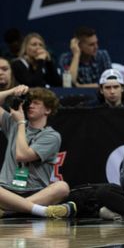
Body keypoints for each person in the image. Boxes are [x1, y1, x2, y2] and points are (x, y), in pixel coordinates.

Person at [0, 86, 75, 218]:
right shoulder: (13, 123)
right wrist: (12, 91)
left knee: (62, 187)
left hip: (35, 192)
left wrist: (21, 122)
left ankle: (9, 212)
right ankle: (39, 211)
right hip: (6, 191)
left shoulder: (51, 136)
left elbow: (22, 155)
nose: (30, 106)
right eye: (30, 102)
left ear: (48, 109)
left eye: (36, 103)